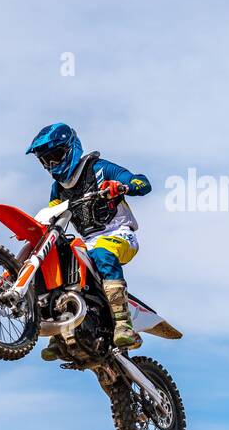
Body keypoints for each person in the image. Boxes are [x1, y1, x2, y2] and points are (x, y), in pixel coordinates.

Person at [25, 122, 152, 355]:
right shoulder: (59, 188)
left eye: (55, 155)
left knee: (102, 253)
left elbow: (143, 182)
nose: (52, 164)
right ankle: (60, 330)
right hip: (88, 242)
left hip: (118, 233)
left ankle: (123, 323)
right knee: (57, 258)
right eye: (46, 160)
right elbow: (53, 215)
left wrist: (122, 186)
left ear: (70, 149)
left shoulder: (98, 168)